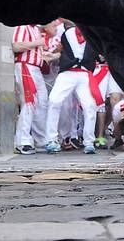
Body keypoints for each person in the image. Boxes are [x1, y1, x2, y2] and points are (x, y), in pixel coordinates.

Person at [44, 25, 99, 154]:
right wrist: (52, 55)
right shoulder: (66, 33)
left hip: (84, 74)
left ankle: (89, 142)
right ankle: (51, 139)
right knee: (54, 100)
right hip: (67, 73)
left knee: (90, 105)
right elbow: (59, 49)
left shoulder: (92, 33)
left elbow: (98, 51)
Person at [12, 22, 50, 155]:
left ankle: (40, 139)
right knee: (30, 102)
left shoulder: (35, 29)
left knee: (42, 103)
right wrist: (38, 42)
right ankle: (22, 142)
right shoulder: (23, 26)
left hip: (35, 68)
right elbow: (16, 46)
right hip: (25, 66)